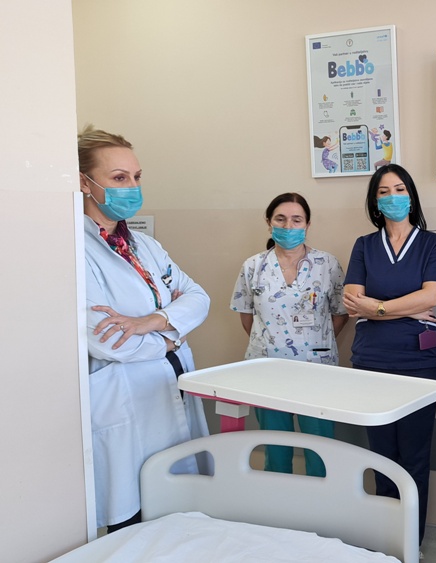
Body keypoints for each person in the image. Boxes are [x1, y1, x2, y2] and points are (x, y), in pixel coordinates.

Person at [79, 126, 211, 532]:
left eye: (136, 177)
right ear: (85, 183)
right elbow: (108, 341)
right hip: (125, 400)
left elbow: (199, 297)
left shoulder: (144, 246)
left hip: (169, 386)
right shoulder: (73, 249)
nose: (132, 187)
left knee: (181, 508)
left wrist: (151, 323)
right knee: (134, 519)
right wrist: (172, 335)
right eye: (119, 178)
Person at [342, 163, 436, 546]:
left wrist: (378, 307)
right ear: (375, 201)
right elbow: (352, 302)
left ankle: (410, 543)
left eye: (400, 189)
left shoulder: (432, 244)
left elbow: (431, 297)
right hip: (371, 361)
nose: (392, 197)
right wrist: (405, 308)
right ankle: (386, 542)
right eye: (384, 191)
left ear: (411, 196)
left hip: (419, 363)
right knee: (382, 456)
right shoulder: (364, 245)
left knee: (415, 457)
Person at [230, 192, 349, 477]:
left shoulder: (327, 264)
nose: (288, 226)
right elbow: (247, 316)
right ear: (269, 223)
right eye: (281, 219)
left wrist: (316, 342)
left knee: (320, 450)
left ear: (308, 224)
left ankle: (320, 504)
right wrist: (270, 342)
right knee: (276, 450)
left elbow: (340, 312)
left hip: (316, 369)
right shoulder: (253, 266)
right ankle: (278, 502)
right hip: (267, 370)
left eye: (297, 220)